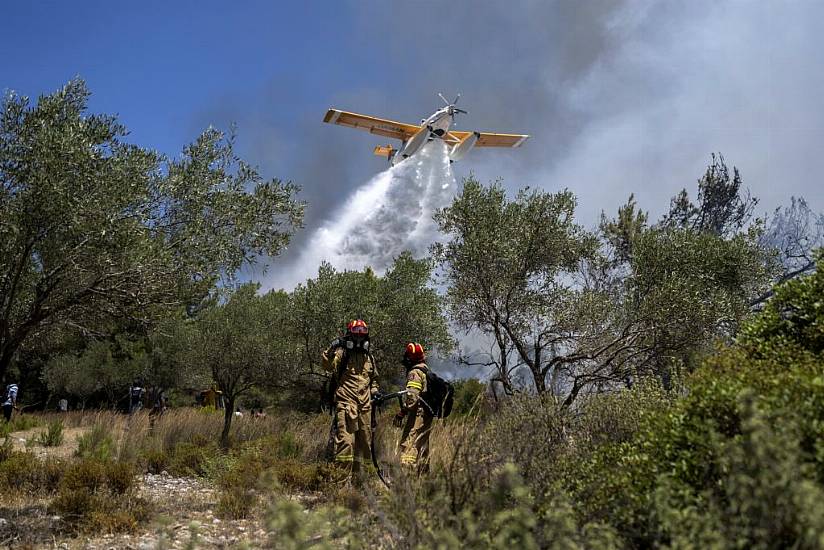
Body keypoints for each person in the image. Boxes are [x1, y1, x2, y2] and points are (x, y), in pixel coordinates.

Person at [321, 319, 379, 483]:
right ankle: (340, 483)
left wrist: (375, 392)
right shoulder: (342, 354)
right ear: (350, 336)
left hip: (365, 408)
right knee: (346, 443)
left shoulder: (369, 357)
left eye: (362, 337)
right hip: (346, 405)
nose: (359, 341)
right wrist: (332, 348)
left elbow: (374, 379)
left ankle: (363, 483)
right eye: (356, 336)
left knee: (365, 445)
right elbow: (327, 366)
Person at [394, 343, 435, 472]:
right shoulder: (426, 369)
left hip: (418, 414)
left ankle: (407, 474)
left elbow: (412, 397)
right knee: (422, 444)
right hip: (427, 414)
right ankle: (423, 476)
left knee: (410, 443)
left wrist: (402, 412)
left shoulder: (415, 372)